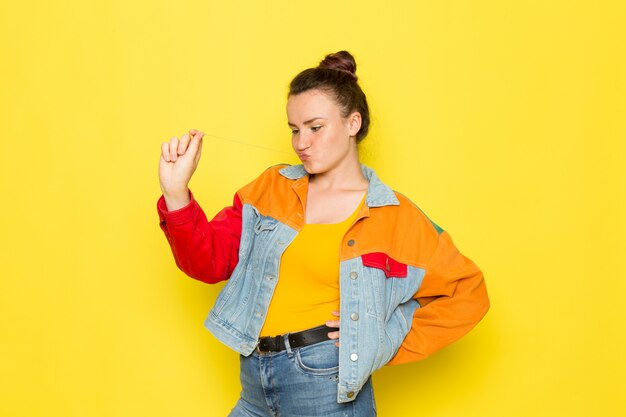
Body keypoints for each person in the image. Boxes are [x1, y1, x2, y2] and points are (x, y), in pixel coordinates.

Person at [156, 50, 489, 417]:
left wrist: (380, 339)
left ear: (352, 123)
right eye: (295, 129)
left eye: (315, 127)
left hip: (326, 387)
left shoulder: (394, 216)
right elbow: (208, 263)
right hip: (254, 383)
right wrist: (176, 193)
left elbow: (466, 293)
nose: (301, 142)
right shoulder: (271, 188)